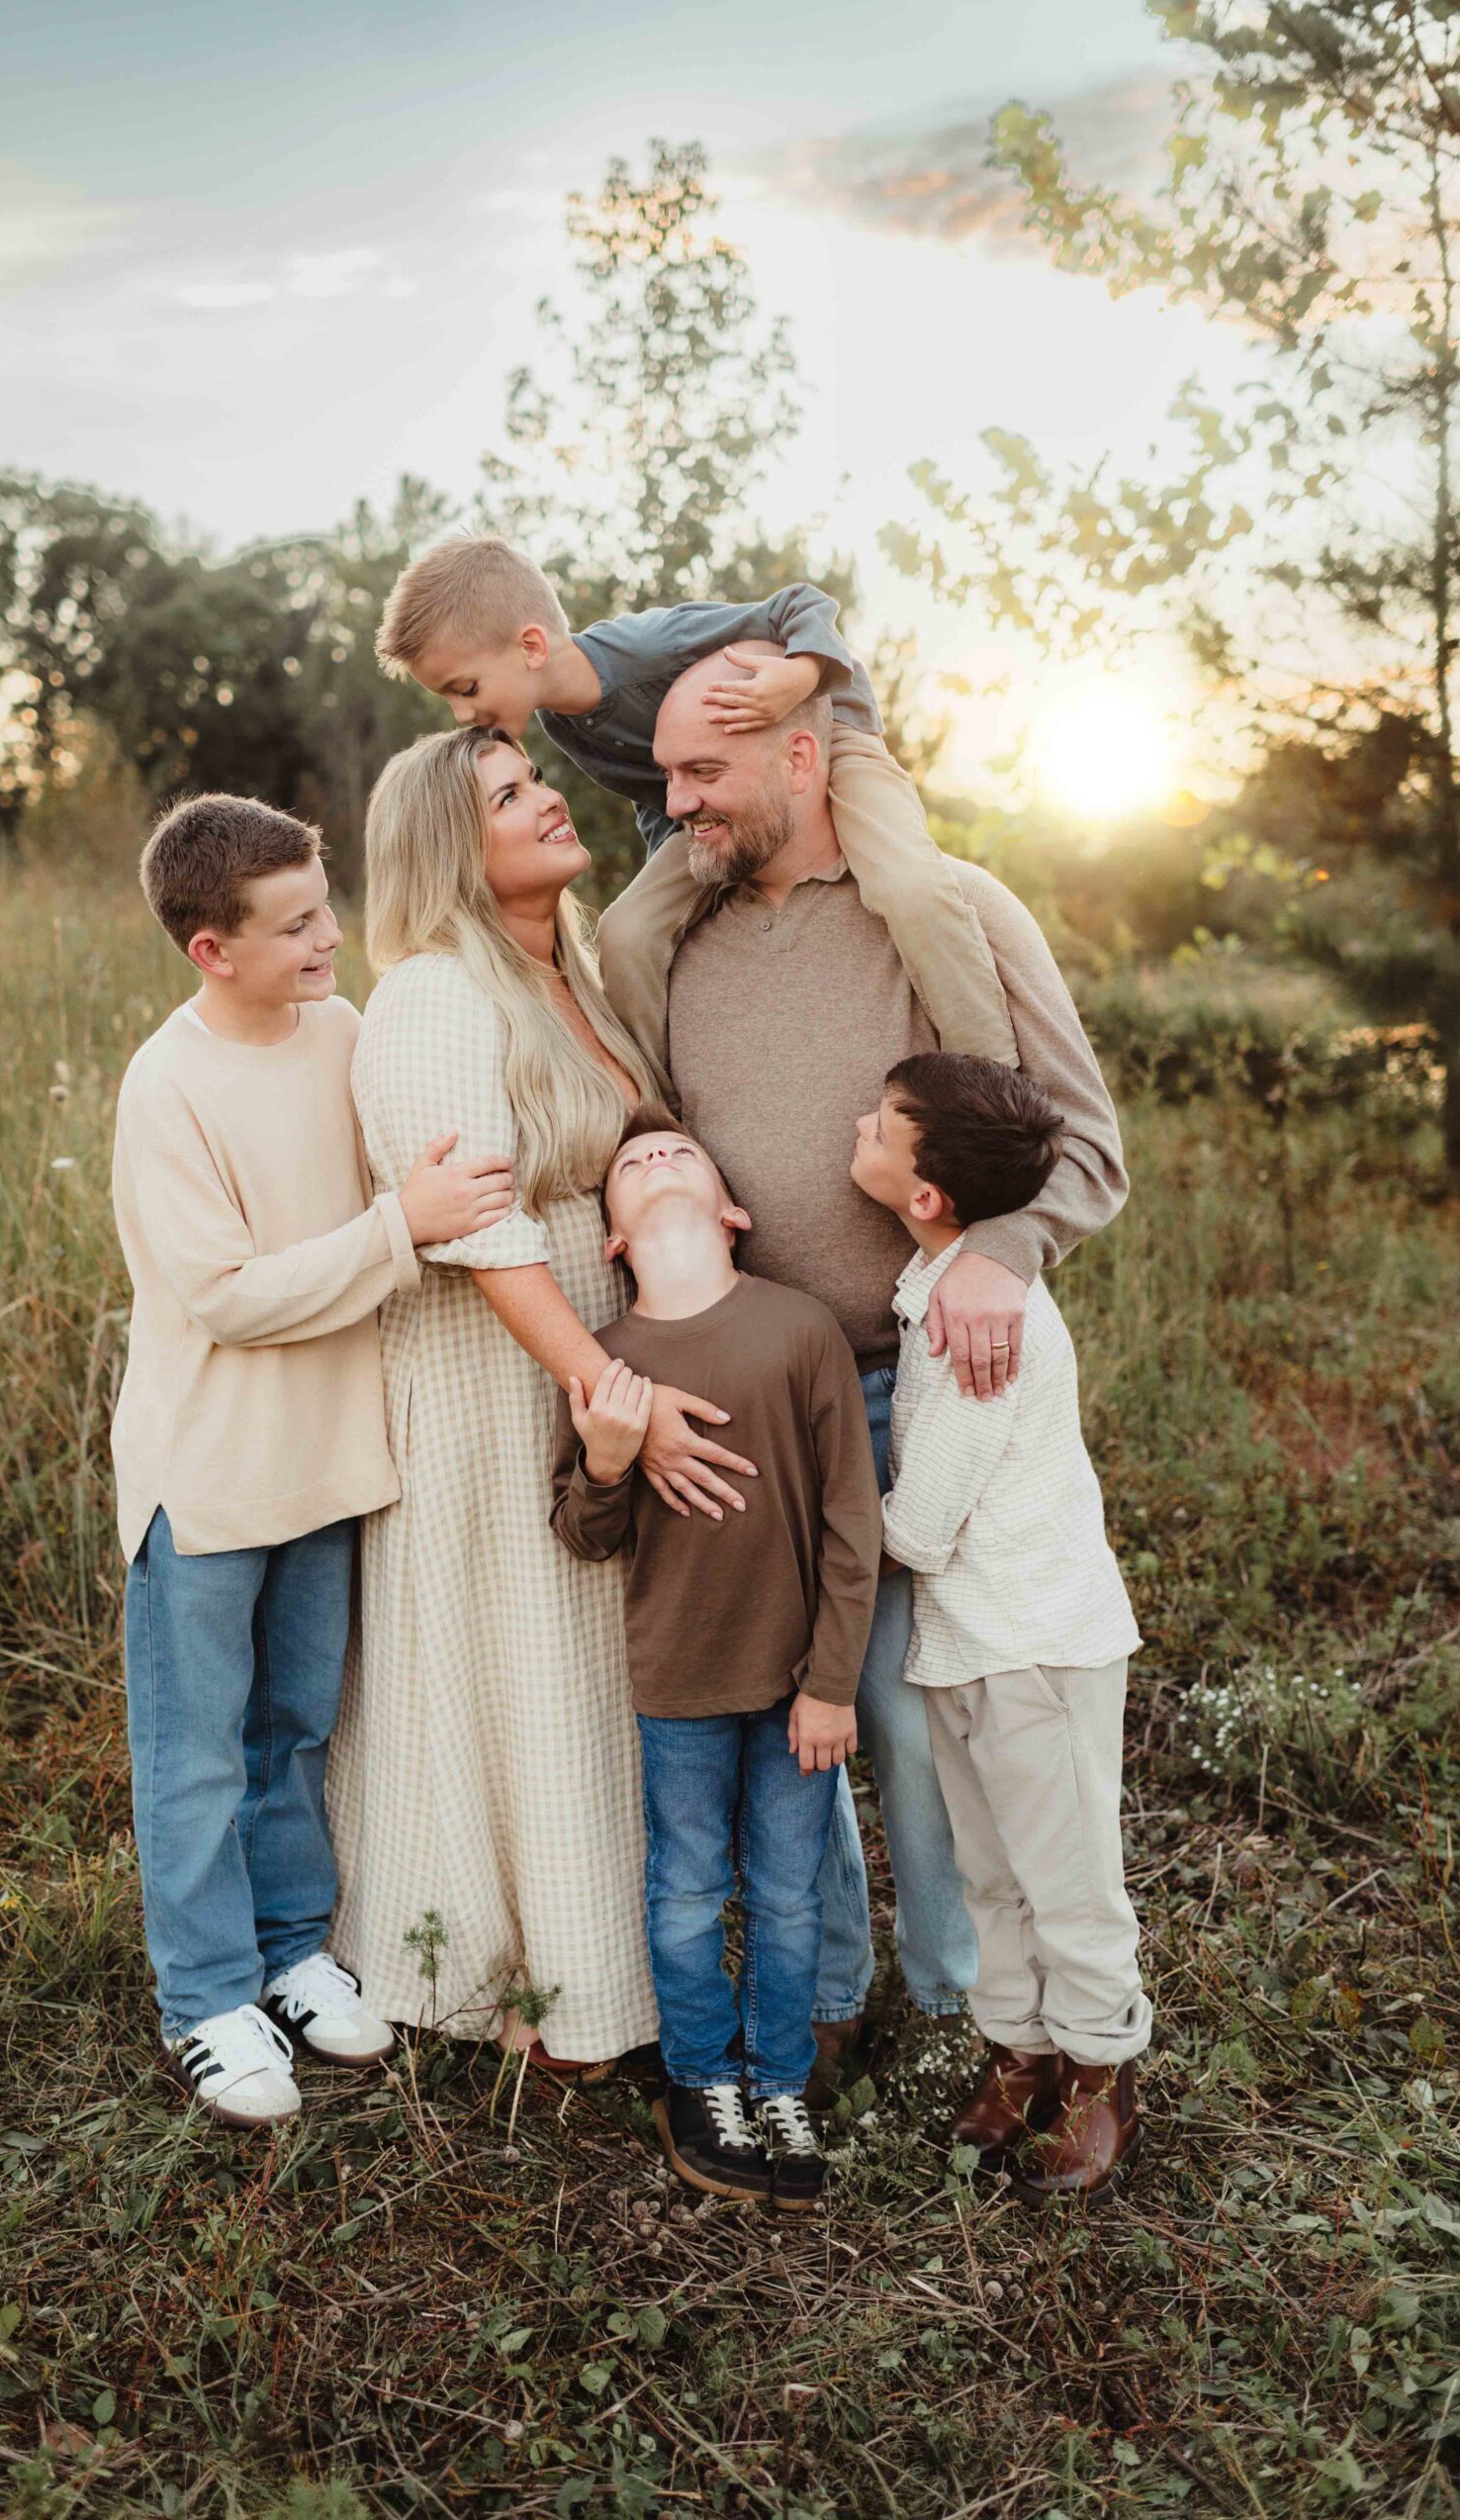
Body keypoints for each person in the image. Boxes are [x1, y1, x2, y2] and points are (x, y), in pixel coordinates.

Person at [643, 651, 1130, 2090]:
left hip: (910, 1390)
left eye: (698, 775)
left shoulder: (954, 915)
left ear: (802, 758)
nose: (670, 806)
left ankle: (974, 2009)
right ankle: (829, 1993)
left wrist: (1002, 1249)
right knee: (794, 1715)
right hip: (749, 1409)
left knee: (923, 1731)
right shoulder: (679, 941)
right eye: (662, 772)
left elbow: (1084, 1148)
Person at [323, 729, 756, 2066]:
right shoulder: (433, 996)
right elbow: (482, 1234)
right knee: (510, 1656)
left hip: (581, 1354)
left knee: (577, 1663)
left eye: (533, 776)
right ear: (453, 848)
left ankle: (592, 1963)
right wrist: (601, 1383)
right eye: (507, 794)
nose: (545, 796)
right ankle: (506, 1983)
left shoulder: (564, 968)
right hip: (485, 1372)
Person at [112, 795, 514, 2126]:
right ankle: (205, 1998)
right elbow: (226, 1294)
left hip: (329, 1466)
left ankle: (289, 1953)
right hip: (210, 1477)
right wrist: (400, 1226)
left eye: (324, 906)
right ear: (210, 951)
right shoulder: (167, 1087)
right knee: (197, 1757)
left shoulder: (343, 1034)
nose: (330, 938)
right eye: (294, 927)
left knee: (293, 1734)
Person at [550, 1109, 878, 2210]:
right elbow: (585, 1535)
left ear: (732, 1212)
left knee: (788, 1897)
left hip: (797, 1691)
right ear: (608, 1238)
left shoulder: (799, 1330)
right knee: (686, 1888)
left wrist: (832, 1679)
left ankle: (778, 2078)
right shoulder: (604, 1364)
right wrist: (604, 1459)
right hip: (676, 1686)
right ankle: (699, 2081)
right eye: (631, 1164)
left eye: (679, 1151)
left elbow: (850, 1522)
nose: (653, 1159)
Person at [372, 534, 1018, 1084]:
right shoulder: (564, 726)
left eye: (465, 688)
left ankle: (993, 1077)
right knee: (627, 934)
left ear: (532, 647)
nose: (460, 714)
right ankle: (656, 1108)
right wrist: (676, 879)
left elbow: (803, 605)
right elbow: (660, 798)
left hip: (828, 745)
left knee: (909, 887)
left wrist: (798, 677)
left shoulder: (644, 649)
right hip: (718, 805)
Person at [853, 1052, 1147, 2201]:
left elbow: (918, 1528)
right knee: (990, 1873)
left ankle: (1097, 2066)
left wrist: (810, 1529)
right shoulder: (932, 1286)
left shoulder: (978, 1324)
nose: (855, 1129)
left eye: (877, 1127)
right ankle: (1015, 2049)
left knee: (1065, 1872)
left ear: (926, 1197)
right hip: (969, 1640)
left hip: (1037, 1639)